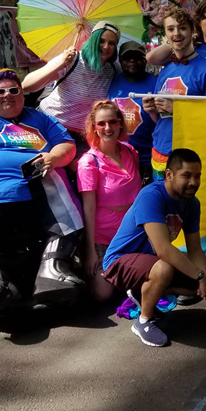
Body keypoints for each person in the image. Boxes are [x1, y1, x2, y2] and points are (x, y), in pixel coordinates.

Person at [0, 69, 81, 312]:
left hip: (36, 191)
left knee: (59, 180)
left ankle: (53, 268)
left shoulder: (41, 119)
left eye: (14, 90)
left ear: (22, 93)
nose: (8, 95)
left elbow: (67, 145)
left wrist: (53, 156)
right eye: (0, 91)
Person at [102, 149, 206, 347]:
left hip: (152, 263)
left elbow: (194, 248)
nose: (193, 182)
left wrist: (205, 279)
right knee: (166, 268)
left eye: (197, 176)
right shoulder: (151, 196)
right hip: (120, 261)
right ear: (169, 175)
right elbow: (163, 249)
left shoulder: (192, 203)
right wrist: (200, 276)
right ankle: (144, 321)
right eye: (187, 176)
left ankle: (145, 291)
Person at [143, 7, 206, 180]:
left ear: (193, 31)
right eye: (170, 29)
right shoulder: (165, 71)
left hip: (190, 155)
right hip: (160, 151)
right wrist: (151, 110)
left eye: (182, 28)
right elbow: (160, 119)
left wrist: (178, 110)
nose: (176, 33)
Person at [22, 21, 120, 154]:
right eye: (101, 41)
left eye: (112, 43)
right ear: (93, 40)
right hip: (50, 125)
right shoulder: (72, 60)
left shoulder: (113, 69)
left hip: (82, 135)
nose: (106, 46)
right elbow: (27, 85)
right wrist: (61, 63)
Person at [77, 100, 141, 301]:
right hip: (104, 237)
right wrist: (90, 251)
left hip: (133, 232)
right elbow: (88, 208)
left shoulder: (131, 151)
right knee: (103, 294)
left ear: (121, 123)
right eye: (101, 124)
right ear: (94, 127)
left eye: (113, 122)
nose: (107, 128)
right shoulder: (89, 162)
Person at [108, 41, 157, 182]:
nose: (132, 61)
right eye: (127, 57)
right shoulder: (112, 81)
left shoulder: (156, 82)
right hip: (118, 159)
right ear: (120, 60)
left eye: (137, 57)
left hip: (148, 160)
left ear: (145, 60)